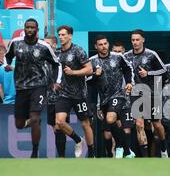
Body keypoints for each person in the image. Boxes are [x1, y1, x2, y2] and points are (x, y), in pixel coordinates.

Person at [5, 18, 60, 158]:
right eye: (27, 27)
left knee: (34, 119)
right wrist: (7, 64)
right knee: (19, 124)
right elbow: (8, 56)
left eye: (32, 28)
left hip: (39, 86)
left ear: (37, 30)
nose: (29, 30)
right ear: (24, 28)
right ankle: (35, 122)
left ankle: (34, 153)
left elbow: (56, 63)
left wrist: (54, 81)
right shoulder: (16, 43)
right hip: (21, 87)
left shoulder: (44, 46)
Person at [124, 29, 169, 158]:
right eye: (133, 40)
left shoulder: (151, 54)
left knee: (157, 124)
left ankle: (164, 148)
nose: (135, 42)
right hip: (136, 94)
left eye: (137, 40)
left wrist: (148, 73)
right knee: (139, 124)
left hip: (152, 93)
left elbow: (164, 71)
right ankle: (145, 157)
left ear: (143, 40)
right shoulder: (126, 56)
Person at [90, 35, 135, 158]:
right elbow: (88, 80)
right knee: (111, 129)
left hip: (119, 94)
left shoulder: (118, 56)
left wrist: (130, 82)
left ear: (108, 44)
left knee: (110, 119)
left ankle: (120, 147)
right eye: (100, 44)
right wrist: (95, 74)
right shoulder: (92, 61)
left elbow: (128, 69)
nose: (103, 46)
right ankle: (126, 150)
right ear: (96, 46)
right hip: (104, 99)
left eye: (105, 44)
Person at [55, 25, 95, 158]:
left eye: (63, 35)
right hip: (64, 94)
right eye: (59, 35)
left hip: (79, 94)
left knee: (85, 123)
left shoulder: (78, 50)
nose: (61, 37)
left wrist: (73, 72)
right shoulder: (57, 52)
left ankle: (92, 154)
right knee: (60, 122)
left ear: (70, 36)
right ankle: (78, 140)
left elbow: (89, 69)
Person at [43, 35, 67, 158]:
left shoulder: (61, 56)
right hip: (49, 98)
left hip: (62, 96)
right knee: (55, 128)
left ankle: (62, 156)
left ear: (54, 45)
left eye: (47, 43)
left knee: (60, 125)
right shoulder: (42, 57)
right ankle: (61, 155)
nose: (44, 45)